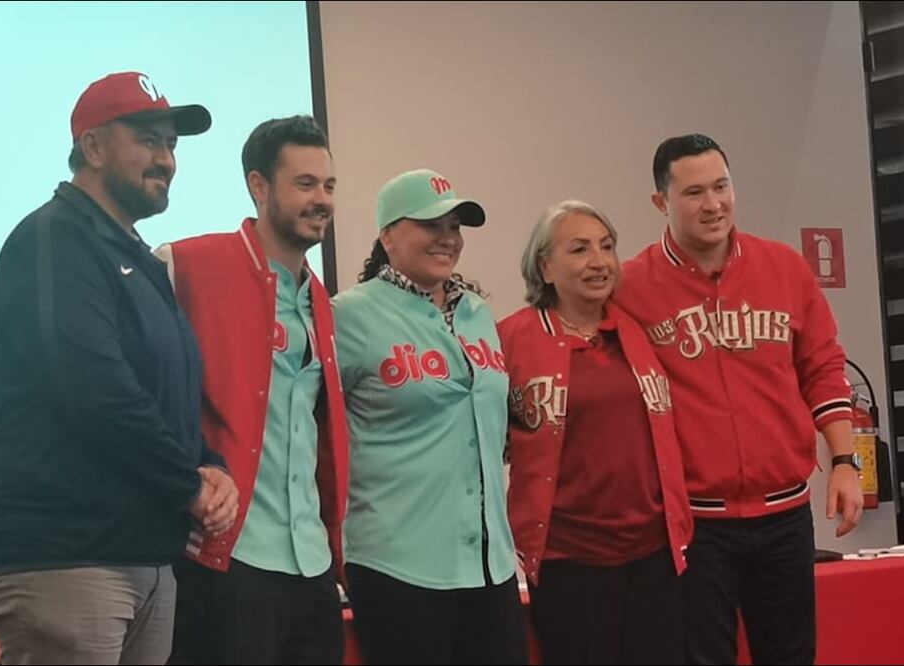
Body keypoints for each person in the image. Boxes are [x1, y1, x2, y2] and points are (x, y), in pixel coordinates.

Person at [0, 71, 238, 665]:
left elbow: (166, 394)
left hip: (143, 554)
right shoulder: (53, 240)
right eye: (147, 139)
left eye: (171, 144)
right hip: (64, 556)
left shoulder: (136, 257)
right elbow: (93, 389)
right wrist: (189, 483)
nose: (165, 158)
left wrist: (210, 465)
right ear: (91, 148)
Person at [616, 133, 864, 665]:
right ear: (661, 202)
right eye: (694, 192)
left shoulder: (784, 268)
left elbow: (822, 366)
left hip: (785, 514)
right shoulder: (629, 287)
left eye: (722, 187)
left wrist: (845, 461)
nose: (714, 204)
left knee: (791, 655)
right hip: (694, 525)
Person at [155, 115, 349, 665]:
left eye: (329, 185)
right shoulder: (185, 264)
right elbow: (136, 389)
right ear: (259, 186)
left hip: (311, 565)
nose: (322, 200)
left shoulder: (319, 298)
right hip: (227, 559)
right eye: (305, 184)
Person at [332, 169, 527, 665]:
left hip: (490, 564)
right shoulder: (347, 316)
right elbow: (313, 427)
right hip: (398, 566)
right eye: (430, 224)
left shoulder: (477, 313)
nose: (448, 238)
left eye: (455, 226)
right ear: (388, 234)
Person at [497, 200, 693, 665]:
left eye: (607, 247)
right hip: (570, 562)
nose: (600, 261)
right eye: (580, 249)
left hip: (655, 557)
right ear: (545, 266)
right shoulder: (511, 339)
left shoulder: (638, 332)